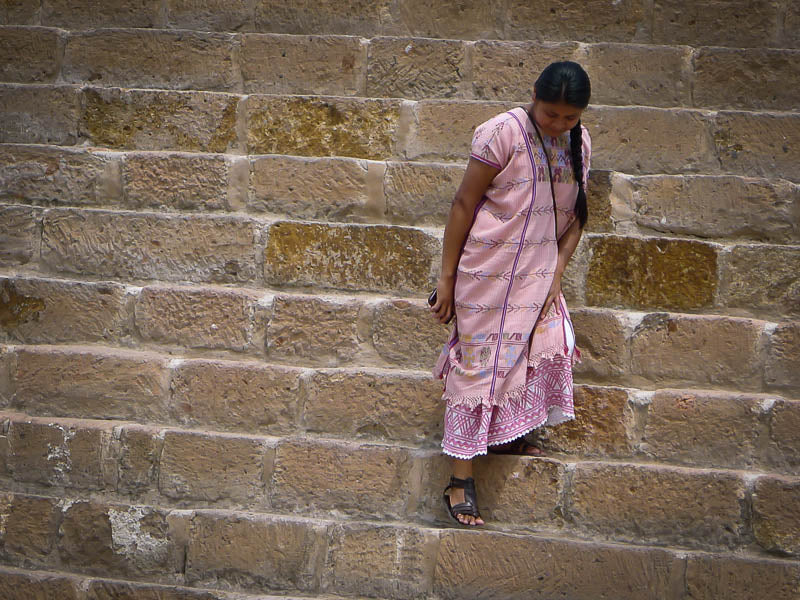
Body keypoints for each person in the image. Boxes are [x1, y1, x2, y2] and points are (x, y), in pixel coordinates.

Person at [430, 61, 592, 527]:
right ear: (534, 97)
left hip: (540, 274)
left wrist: (557, 272)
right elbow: (464, 202)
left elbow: (577, 214)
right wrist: (447, 278)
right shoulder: (500, 133)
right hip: (487, 271)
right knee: (478, 368)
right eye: (550, 114)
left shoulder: (580, 143)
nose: (558, 124)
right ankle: (460, 481)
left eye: (569, 117)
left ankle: (505, 433)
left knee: (544, 346)